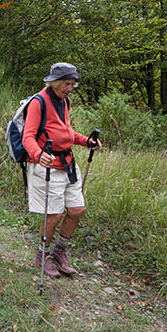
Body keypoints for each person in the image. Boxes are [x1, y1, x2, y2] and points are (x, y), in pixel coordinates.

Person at [22, 62, 102, 279]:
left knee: (77, 210)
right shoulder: (39, 103)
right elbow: (28, 136)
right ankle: (43, 255)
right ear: (55, 83)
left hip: (67, 164)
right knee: (54, 214)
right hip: (47, 166)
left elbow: (66, 132)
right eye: (67, 83)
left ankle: (59, 252)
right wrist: (39, 155)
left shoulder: (65, 101)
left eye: (72, 84)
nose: (70, 88)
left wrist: (87, 141)